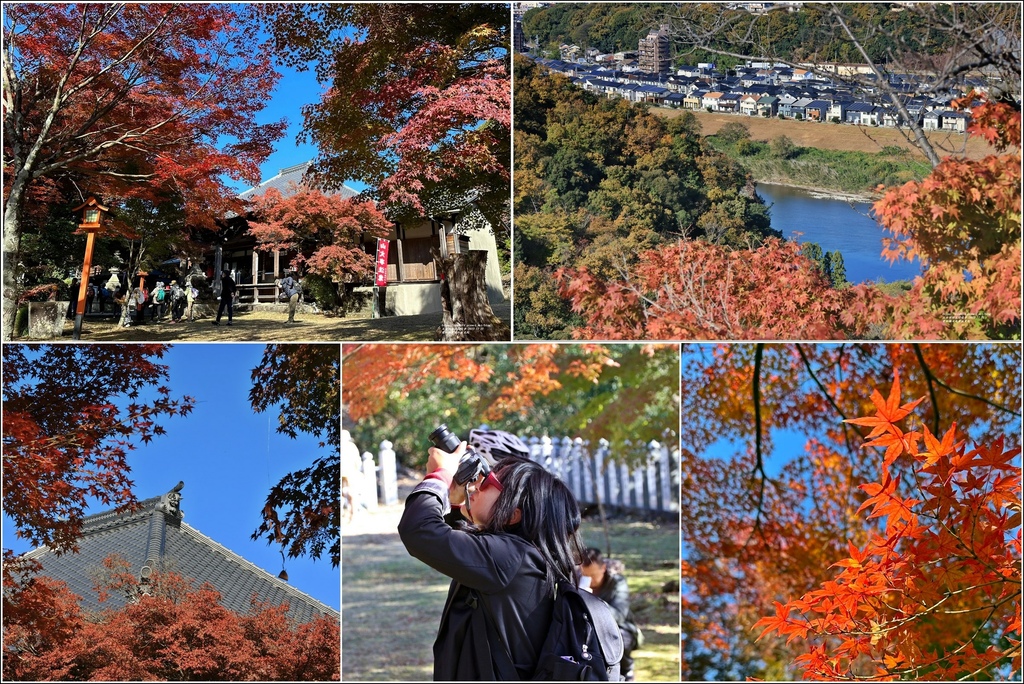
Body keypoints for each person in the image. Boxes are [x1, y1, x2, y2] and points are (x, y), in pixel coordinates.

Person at [398, 433, 586, 681]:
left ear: (513, 515)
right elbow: (458, 541)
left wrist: (440, 476)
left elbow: (420, 530)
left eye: (488, 484)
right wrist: (455, 499)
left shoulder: (509, 558)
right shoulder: (522, 555)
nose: (476, 486)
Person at [580, 548, 641, 681]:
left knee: (620, 639)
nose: (589, 580)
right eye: (585, 575)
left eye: (593, 576)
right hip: (585, 629)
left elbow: (620, 615)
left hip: (619, 628)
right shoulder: (577, 579)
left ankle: (627, 670)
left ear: (603, 568)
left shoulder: (617, 582)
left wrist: (593, 602)